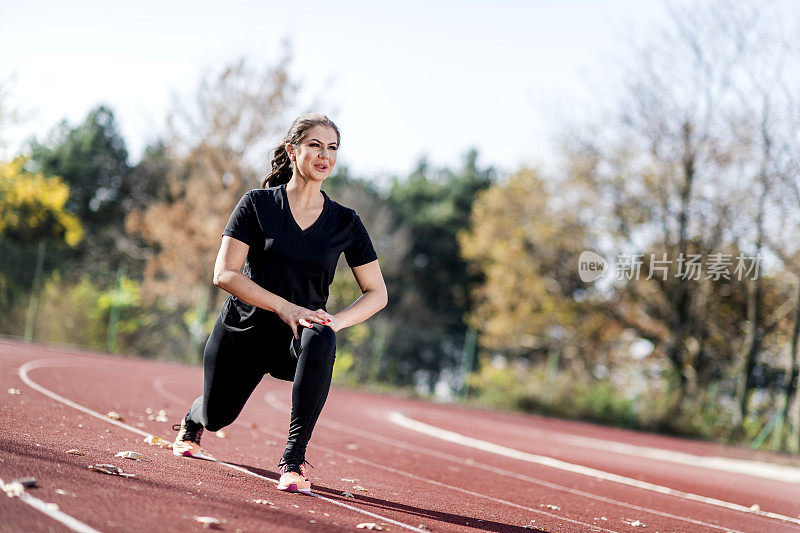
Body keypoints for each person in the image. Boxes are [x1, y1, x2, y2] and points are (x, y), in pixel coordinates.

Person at [171, 113, 388, 494]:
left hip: (296, 338)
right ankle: (194, 418)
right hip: (244, 332)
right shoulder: (257, 205)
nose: (325, 156)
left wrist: (335, 321)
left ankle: (293, 459)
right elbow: (225, 274)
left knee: (322, 337)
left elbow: (377, 293)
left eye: (333, 148)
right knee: (218, 416)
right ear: (292, 150)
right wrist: (285, 307)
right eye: (315, 146)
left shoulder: (345, 222)